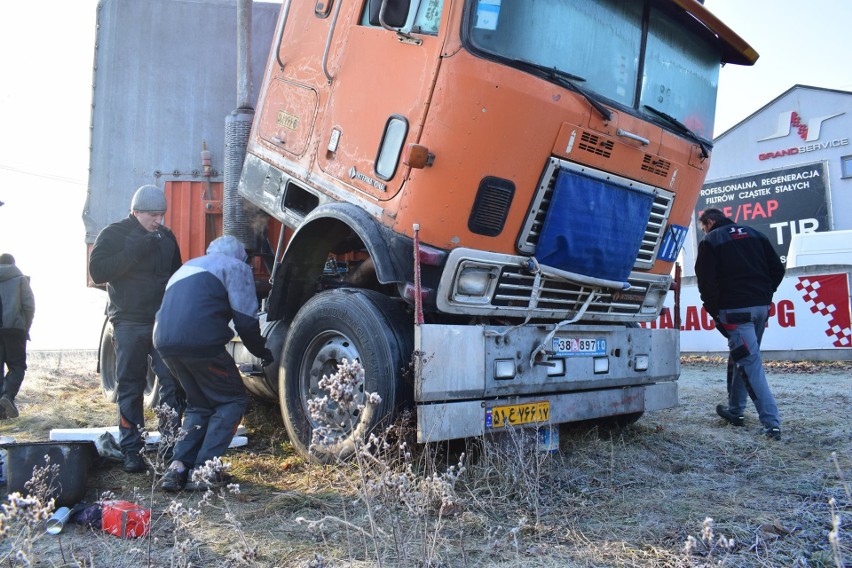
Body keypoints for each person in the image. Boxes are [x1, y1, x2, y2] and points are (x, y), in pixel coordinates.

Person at [155, 235, 273, 491]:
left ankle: (177, 468)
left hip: (164, 344)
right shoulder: (235, 267)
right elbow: (245, 320)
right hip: (200, 343)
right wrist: (262, 351)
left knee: (199, 405)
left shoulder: (186, 267)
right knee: (232, 401)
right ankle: (204, 472)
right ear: (240, 257)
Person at [89, 185, 186, 473]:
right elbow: (98, 272)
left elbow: (176, 276)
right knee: (129, 385)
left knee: (171, 382)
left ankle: (170, 446)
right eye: (153, 215)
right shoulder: (114, 234)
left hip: (160, 320)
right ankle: (132, 449)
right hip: (128, 320)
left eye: (162, 215)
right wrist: (133, 250)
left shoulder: (166, 238)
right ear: (137, 212)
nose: (159, 220)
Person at [694, 208, 785, 440]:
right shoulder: (756, 234)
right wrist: (765, 294)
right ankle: (735, 411)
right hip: (760, 307)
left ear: (710, 222)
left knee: (749, 363)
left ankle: (771, 424)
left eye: (703, 226)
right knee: (741, 358)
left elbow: (706, 282)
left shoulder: (711, 240)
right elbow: (777, 269)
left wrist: (715, 312)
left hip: (735, 312)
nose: (704, 231)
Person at [0, 253, 35, 419]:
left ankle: (1, 412)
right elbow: (29, 306)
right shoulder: (20, 280)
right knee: (17, 367)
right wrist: (25, 327)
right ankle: (7, 396)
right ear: (13, 263)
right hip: (15, 330)